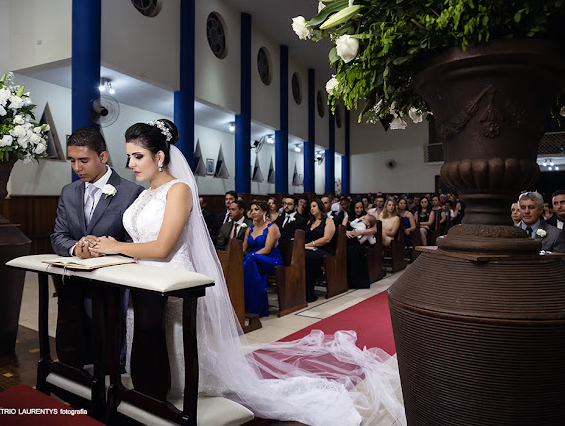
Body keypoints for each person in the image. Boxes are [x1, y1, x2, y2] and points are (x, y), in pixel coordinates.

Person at [90, 119, 405, 426]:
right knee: (145, 339)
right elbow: (137, 239)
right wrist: (102, 246)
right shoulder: (144, 194)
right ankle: (147, 390)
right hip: (142, 280)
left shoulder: (179, 190)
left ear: (159, 156)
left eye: (137, 156)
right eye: (129, 156)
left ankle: (169, 393)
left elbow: (162, 248)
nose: (130, 164)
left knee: (169, 342)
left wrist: (116, 247)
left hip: (171, 279)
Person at [50, 127, 143, 372]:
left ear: (102, 157)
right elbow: (58, 237)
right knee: (73, 340)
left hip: (111, 287)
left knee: (108, 346)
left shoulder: (132, 192)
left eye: (83, 160)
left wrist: (104, 248)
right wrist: (76, 248)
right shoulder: (68, 192)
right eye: (72, 161)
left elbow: (135, 243)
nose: (76, 167)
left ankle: (111, 376)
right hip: (73, 282)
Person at [242, 200, 283, 317]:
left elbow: (267, 249)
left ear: (264, 212)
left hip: (271, 259)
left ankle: (254, 309)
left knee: (250, 260)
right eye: (251, 210)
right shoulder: (249, 229)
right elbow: (243, 248)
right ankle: (248, 306)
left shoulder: (272, 227)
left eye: (256, 209)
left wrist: (250, 256)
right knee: (247, 265)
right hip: (253, 261)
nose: (253, 212)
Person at [304, 199, 336, 303]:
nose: (311, 209)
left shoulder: (328, 221)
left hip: (324, 249)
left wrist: (310, 244)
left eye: (314, 206)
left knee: (309, 257)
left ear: (320, 207)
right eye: (310, 207)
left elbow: (326, 239)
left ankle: (309, 293)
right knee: (299, 255)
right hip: (309, 249)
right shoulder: (310, 222)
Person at [346, 213, 377, 289]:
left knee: (354, 252)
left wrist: (362, 231)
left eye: (364, 218)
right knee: (350, 250)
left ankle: (357, 282)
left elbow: (374, 231)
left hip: (359, 243)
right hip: (352, 240)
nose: (362, 218)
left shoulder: (366, 220)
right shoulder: (359, 222)